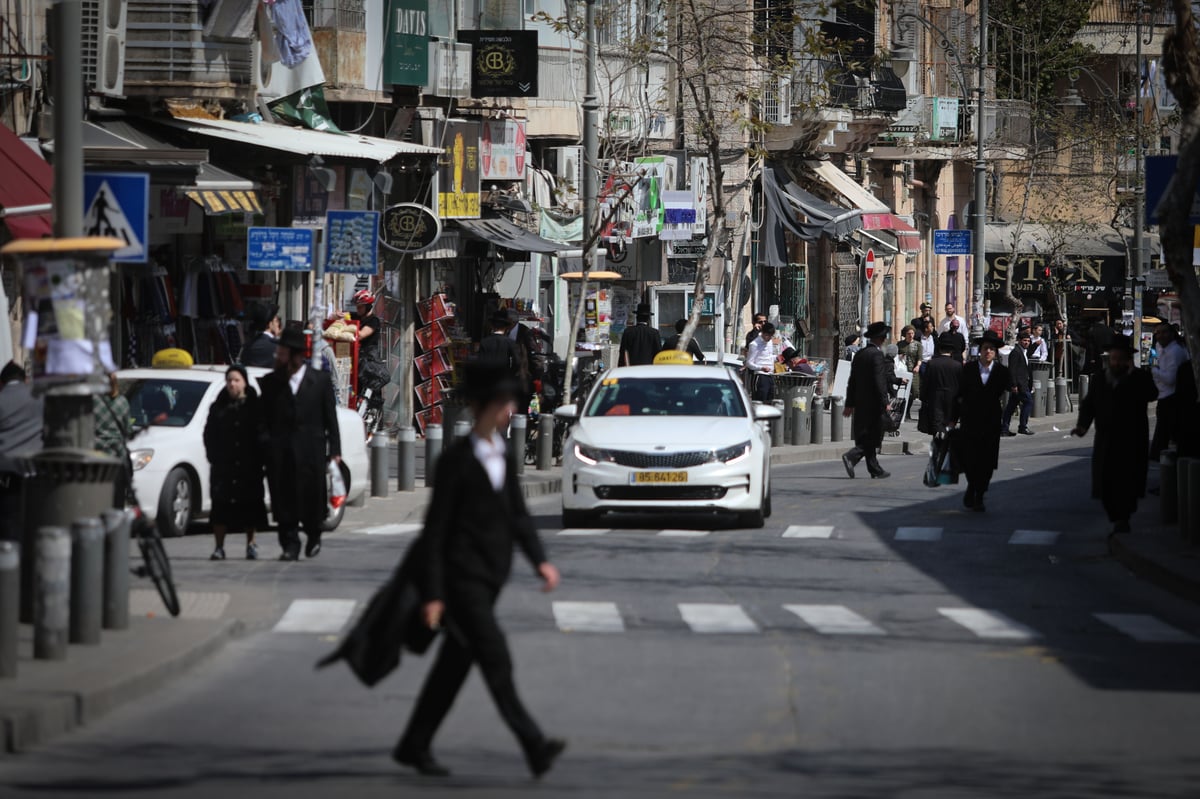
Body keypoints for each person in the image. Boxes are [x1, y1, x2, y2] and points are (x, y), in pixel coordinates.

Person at [393, 358, 565, 779]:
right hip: (460, 582)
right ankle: (534, 745)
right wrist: (434, 593)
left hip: (489, 580)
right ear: (487, 406)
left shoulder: (501, 453)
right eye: (505, 403)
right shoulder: (455, 461)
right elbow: (434, 533)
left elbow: (519, 516)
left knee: (453, 668)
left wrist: (540, 560)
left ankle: (414, 744)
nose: (511, 411)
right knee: (496, 661)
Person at [258, 328, 341, 561]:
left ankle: (313, 535)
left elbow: (330, 419)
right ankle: (289, 544)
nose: (278, 358)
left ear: (296, 355)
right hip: (280, 453)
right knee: (283, 500)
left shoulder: (319, 380)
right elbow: (262, 420)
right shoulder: (270, 383)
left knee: (311, 499)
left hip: (310, 453)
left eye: (282, 354)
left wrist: (335, 450)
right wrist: (267, 445)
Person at [1073, 336, 1158, 534]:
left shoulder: (1140, 377)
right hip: (1106, 439)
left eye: (1120, 359)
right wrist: (1082, 426)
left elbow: (1152, 394)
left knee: (1127, 481)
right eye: (1113, 359)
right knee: (1106, 482)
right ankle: (1116, 514)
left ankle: (1123, 518)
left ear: (1128, 359)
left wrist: (1131, 376)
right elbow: (1089, 405)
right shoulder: (1100, 378)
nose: (1116, 363)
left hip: (1132, 439)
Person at [203, 365, 267, 561]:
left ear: (244, 383)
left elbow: (263, 434)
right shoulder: (218, 407)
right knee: (220, 508)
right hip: (224, 466)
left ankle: (251, 543)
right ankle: (219, 547)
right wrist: (214, 456)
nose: (232, 384)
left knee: (250, 506)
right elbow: (209, 434)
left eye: (236, 380)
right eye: (229, 380)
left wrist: (260, 457)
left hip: (249, 466)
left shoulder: (255, 407)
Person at [955, 330, 1011, 512]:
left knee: (987, 461)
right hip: (970, 421)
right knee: (970, 459)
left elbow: (1006, 390)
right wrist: (951, 419)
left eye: (992, 349)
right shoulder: (968, 370)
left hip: (991, 422)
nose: (988, 352)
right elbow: (959, 395)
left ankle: (979, 494)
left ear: (995, 353)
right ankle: (972, 486)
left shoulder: (1002, 372)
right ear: (980, 350)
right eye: (986, 348)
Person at [841, 322, 891, 479]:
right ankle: (852, 456)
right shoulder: (876, 355)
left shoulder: (861, 354)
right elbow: (879, 381)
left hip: (861, 403)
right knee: (874, 436)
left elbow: (852, 381)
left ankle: (874, 469)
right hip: (874, 403)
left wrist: (850, 403)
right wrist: (885, 401)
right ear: (881, 339)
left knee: (866, 435)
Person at [0, 362, 43, 542]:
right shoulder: (40, 398)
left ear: (1, 382)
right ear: (25, 380)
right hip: (36, 476)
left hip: (7, 481)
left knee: (9, 536)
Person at [1150, 323, 1190, 460]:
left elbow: (1171, 378)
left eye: (1164, 332)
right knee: (1166, 433)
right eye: (1158, 333)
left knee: (1167, 433)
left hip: (1172, 397)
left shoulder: (1175, 351)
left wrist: (1155, 371)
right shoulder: (1162, 348)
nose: (1160, 336)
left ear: (1172, 334)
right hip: (1165, 396)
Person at [92, 372, 131, 508]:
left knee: (96, 499)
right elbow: (128, 430)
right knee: (117, 499)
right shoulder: (122, 402)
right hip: (117, 456)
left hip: (96, 457)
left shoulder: (93, 401)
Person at [918, 332, 964, 436]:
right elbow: (961, 386)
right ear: (951, 351)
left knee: (937, 428)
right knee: (949, 427)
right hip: (952, 401)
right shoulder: (957, 366)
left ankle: (938, 447)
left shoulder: (932, 363)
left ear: (939, 349)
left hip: (935, 399)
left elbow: (926, 383)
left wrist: (923, 397)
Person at [351, 290, 389, 412]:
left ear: (368, 307)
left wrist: (346, 330)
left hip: (368, 359)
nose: (358, 309)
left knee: (368, 390)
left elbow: (361, 335)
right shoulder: (356, 316)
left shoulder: (373, 321)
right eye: (357, 306)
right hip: (356, 357)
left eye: (360, 307)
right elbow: (341, 318)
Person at [1002, 328, 1035, 437]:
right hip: (1019, 385)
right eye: (1024, 340)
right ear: (1019, 341)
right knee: (1029, 402)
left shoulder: (1024, 352)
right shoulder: (1016, 352)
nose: (1027, 343)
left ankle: (1004, 428)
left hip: (1023, 383)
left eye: (1028, 341)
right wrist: (1014, 385)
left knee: (1011, 406)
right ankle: (1022, 427)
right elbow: (1012, 370)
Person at [480, 310, 523, 383]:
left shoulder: (484, 342)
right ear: (505, 327)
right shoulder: (510, 342)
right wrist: (510, 374)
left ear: (492, 326)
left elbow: (480, 362)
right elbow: (517, 362)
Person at [746, 321, 782, 402]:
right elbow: (748, 363)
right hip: (760, 376)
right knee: (760, 400)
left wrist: (777, 358)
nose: (768, 338)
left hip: (770, 375)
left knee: (770, 400)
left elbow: (768, 357)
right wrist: (761, 368)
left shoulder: (769, 342)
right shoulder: (754, 344)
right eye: (767, 335)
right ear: (762, 332)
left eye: (770, 336)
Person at [241, 303, 282, 368]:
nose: (279, 324)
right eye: (277, 321)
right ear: (270, 324)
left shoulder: (247, 346)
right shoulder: (278, 347)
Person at [898, 325, 922, 420]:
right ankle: (904, 411)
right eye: (909, 333)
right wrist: (900, 356)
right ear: (905, 334)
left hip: (914, 371)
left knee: (914, 392)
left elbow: (920, 357)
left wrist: (918, 366)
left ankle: (907, 409)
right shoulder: (900, 344)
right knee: (903, 391)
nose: (911, 335)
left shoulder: (917, 344)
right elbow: (896, 356)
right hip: (903, 370)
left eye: (912, 333)